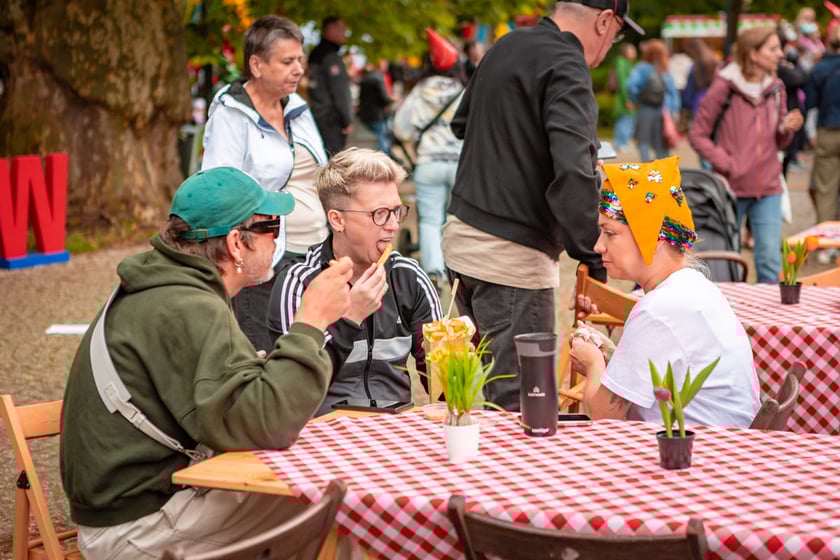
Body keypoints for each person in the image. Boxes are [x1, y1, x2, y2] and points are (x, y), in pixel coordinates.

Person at [60, 167, 354, 558]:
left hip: (139, 506)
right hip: (137, 528)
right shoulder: (186, 304)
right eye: (271, 229)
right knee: (345, 515)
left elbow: (236, 403)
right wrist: (312, 320)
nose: (276, 242)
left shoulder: (168, 288)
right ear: (236, 243)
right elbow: (266, 423)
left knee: (325, 501)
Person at [442, 0, 643, 411]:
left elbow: (462, 124)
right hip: (512, 257)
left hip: (461, 240)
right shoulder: (568, 65)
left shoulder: (506, 44)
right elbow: (573, 175)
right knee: (523, 407)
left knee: (484, 395)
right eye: (618, 33)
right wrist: (595, 255)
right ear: (605, 21)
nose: (611, 45)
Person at [570, 157, 760, 427]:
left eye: (610, 233)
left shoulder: (660, 309)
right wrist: (613, 357)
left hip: (704, 454)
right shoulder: (693, 285)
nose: (598, 246)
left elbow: (604, 415)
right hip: (725, 443)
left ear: (655, 239)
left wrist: (593, 365)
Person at [268, 148, 442, 415]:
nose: (394, 225)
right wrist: (350, 317)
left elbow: (439, 390)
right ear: (338, 219)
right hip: (320, 432)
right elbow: (290, 389)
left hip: (396, 430)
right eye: (380, 213)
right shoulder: (300, 283)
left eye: (397, 211)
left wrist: (455, 354)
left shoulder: (410, 277)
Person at [201, 15, 329, 354]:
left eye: (300, 59)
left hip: (313, 252)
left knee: (310, 351)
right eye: (287, 61)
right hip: (264, 260)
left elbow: (320, 170)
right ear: (256, 65)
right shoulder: (231, 115)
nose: (299, 69)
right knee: (267, 354)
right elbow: (220, 190)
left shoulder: (297, 106)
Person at [688, 26, 803, 283]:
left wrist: (785, 129)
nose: (780, 53)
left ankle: (768, 321)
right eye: (772, 48)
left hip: (769, 186)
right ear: (753, 54)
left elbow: (779, 141)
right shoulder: (724, 87)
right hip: (731, 188)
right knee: (727, 261)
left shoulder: (777, 87)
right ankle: (728, 318)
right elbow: (697, 134)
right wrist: (727, 163)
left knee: (770, 261)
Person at [392, 32, 466, 287]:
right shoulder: (463, 92)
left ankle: (434, 272)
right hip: (459, 164)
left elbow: (400, 128)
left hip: (428, 163)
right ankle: (456, 267)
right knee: (454, 219)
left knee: (430, 220)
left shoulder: (420, 92)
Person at [805, 24, 840, 264]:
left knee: (826, 190)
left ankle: (828, 246)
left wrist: (810, 133)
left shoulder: (819, 69)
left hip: (828, 130)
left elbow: (810, 105)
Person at [626, 39, 680, 162]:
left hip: (646, 108)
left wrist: (635, 100)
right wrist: (673, 111)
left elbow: (631, 86)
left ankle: (647, 170)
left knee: (643, 141)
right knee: (661, 144)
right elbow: (673, 93)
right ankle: (662, 172)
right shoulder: (665, 69)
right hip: (663, 109)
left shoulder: (641, 68)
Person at [308, 16, 354, 155]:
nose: (344, 34)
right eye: (341, 29)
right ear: (330, 30)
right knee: (334, 162)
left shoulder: (316, 54)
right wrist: (347, 119)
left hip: (318, 116)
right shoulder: (330, 57)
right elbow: (339, 91)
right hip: (331, 120)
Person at [358, 59, 394, 155]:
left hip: (366, 113)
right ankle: (385, 159)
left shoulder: (366, 77)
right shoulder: (378, 78)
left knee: (380, 137)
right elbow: (384, 98)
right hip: (377, 114)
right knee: (383, 139)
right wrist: (392, 99)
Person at [611, 42, 637, 153]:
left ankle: (624, 141)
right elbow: (622, 82)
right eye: (632, 50)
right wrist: (627, 99)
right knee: (623, 120)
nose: (634, 52)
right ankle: (620, 142)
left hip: (628, 97)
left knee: (628, 120)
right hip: (624, 97)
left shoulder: (628, 63)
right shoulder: (621, 62)